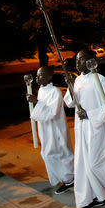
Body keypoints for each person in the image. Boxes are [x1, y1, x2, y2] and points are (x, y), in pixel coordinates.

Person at [64, 49, 105, 208]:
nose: (77, 63)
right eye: (76, 60)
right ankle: (92, 196)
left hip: (97, 130)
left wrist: (88, 114)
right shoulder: (77, 80)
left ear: (91, 61)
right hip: (82, 129)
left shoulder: (101, 80)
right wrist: (70, 86)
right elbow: (70, 103)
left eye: (81, 60)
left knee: (95, 164)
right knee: (83, 164)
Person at [26, 66, 74, 195]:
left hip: (55, 129)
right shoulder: (41, 90)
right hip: (45, 128)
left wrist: (36, 101)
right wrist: (36, 101)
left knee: (59, 153)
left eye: (41, 75)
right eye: (37, 75)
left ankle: (69, 179)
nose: (37, 78)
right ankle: (64, 177)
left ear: (49, 77)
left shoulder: (55, 91)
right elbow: (41, 110)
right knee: (48, 154)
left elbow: (52, 112)